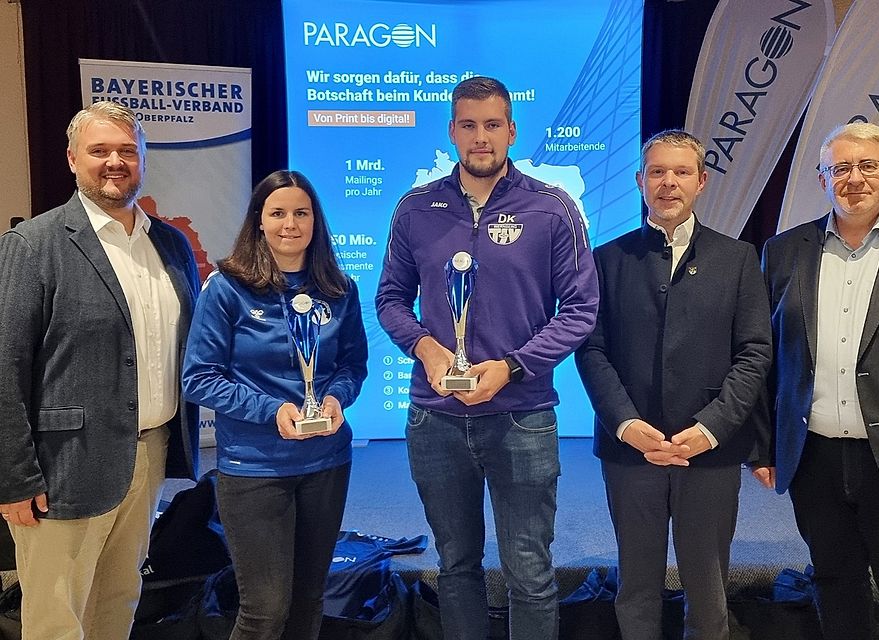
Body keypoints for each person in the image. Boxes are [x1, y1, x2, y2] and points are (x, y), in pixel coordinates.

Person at [375, 76, 599, 640]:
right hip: (436, 417)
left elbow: (579, 309)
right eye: (469, 125)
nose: (481, 138)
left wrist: (512, 367)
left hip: (522, 416)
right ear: (452, 131)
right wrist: (425, 348)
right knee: (456, 567)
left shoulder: (552, 209)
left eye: (492, 125)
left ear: (511, 131)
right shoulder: (416, 209)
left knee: (528, 571)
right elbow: (390, 299)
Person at [0, 101, 200, 639]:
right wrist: (13, 476)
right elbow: (5, 367)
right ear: (71, 160)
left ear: (143, 161)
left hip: (150, 454)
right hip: (62, 466)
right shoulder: (34, 245)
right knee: (57, 618)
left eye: (128, 151)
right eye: (100, 151)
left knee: (118, 600)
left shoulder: (171, 245)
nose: (115, 161)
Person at [756, 122, 879, 640]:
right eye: (840, 167)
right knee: (836, 591)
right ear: (822, 179)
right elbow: (767, 358)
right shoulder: (783, 252)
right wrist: (764, 446)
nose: (854, 178)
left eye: (867, 165)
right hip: (816, 459)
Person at [575, 130, 771, 639]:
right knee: (636, 585)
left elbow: (755, 353)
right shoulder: (606, 259)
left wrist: (710, 429)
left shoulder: (739, 259)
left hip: (708, 449)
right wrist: (624, 423)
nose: (668, 183)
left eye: (681, 172)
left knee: (707, 589)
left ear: (701, 181)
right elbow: (591, 350)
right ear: (641, 181)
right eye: (657, 172)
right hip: (631, 450)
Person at [183, 170, 367, 640]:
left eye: (301, 213)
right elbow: (199, 378)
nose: (290, 223)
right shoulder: (227, 288)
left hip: (326, 461)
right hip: (254, 468)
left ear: (315, 221)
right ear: (259, 222)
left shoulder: (340, 289)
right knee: (265, 610)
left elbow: (352, 366)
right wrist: (272, 411)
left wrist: (333, 399)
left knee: (309, 601)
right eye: (278, 213)